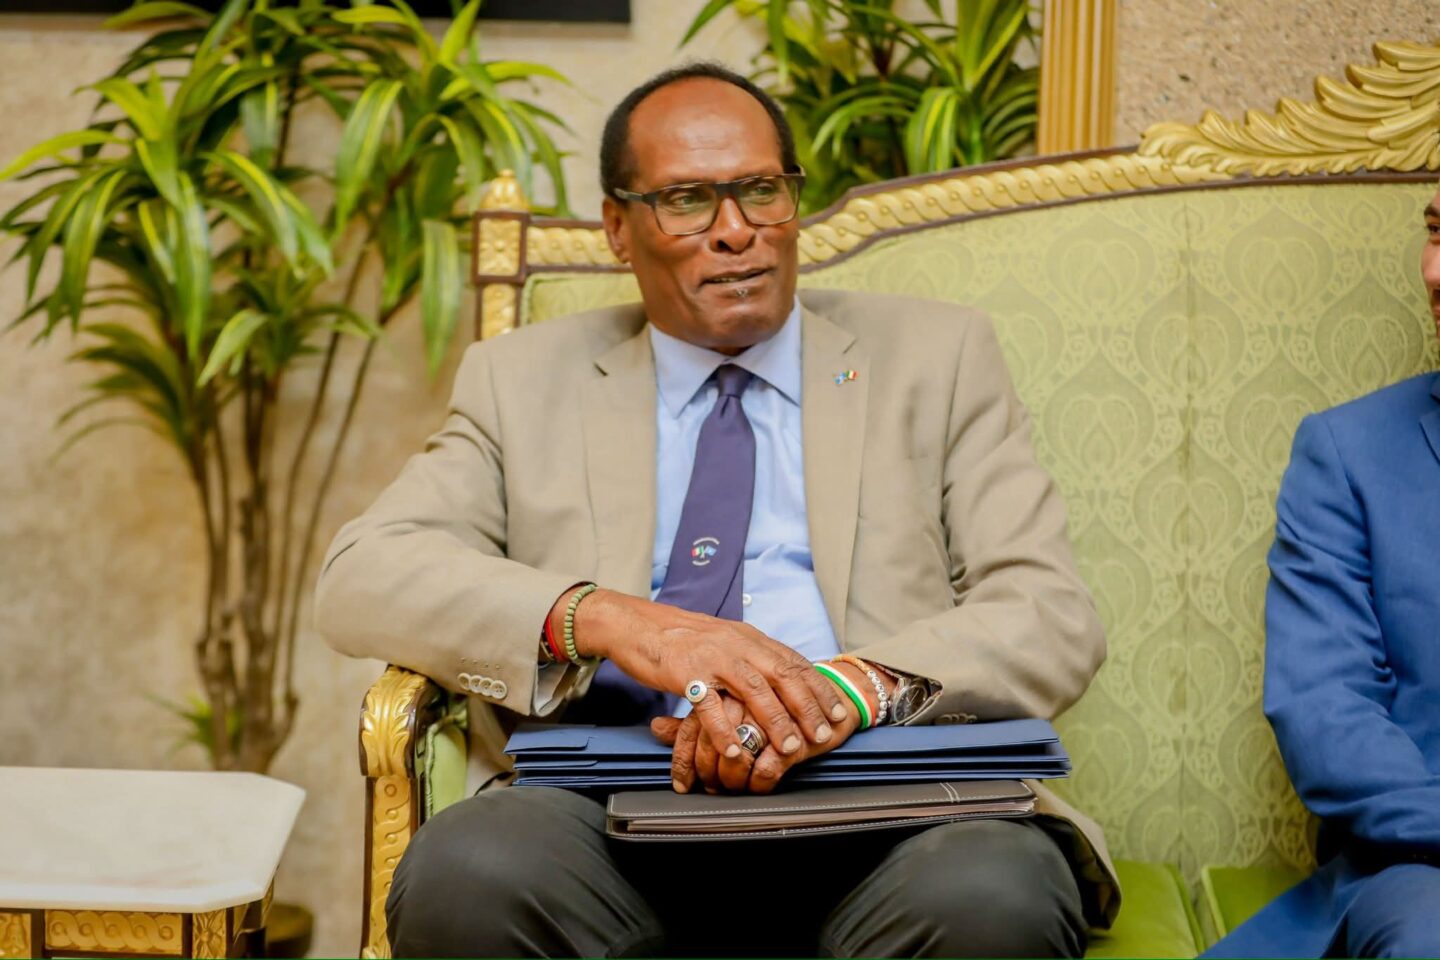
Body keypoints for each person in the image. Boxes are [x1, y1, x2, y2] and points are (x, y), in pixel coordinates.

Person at [316, 61, 1118, 958]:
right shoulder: (522, 380)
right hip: (606, 813)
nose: (736, 231)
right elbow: (364, 572)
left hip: (890, 805)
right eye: (689, 200)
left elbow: (1049, 611)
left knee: (995, 894)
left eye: (761, 191)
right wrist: (617, 622)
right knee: (468, 872)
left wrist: (847, 689)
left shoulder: (937, 356)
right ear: (618, 228)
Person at [1203, 185, 1440, 958]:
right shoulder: (1349, 453)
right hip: (1418, 871)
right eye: (1436, 232)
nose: (1433, 271)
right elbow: (1325, 711)